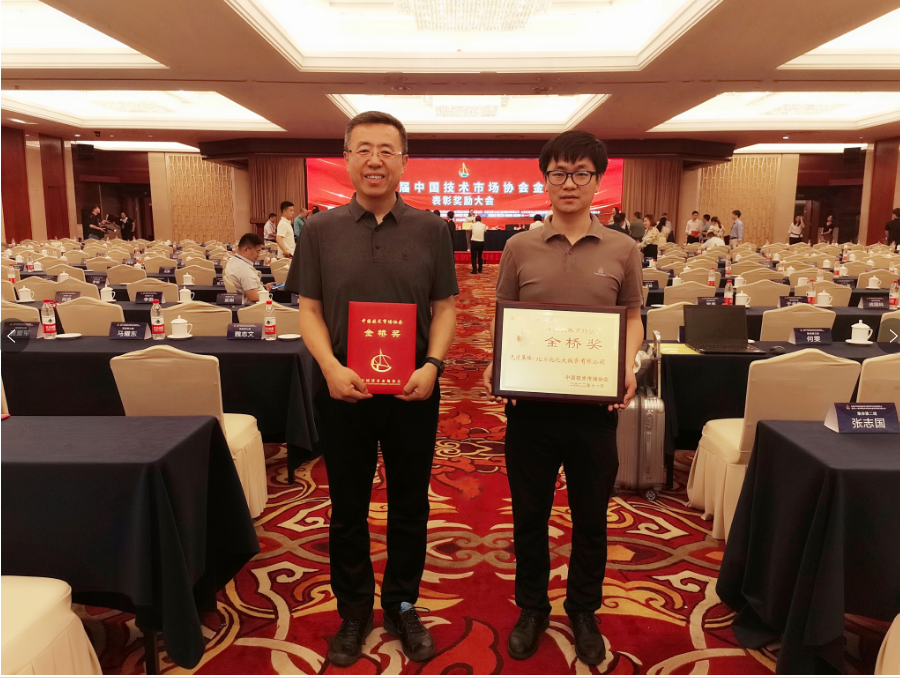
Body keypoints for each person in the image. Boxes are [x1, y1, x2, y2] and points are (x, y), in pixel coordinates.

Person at [287, 110, 458, 668]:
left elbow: (445, 308)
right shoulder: (320, 230)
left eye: (387, 150)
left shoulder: (431, 230)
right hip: (343, 392)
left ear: (404, 161)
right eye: (363, 149)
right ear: (346, 159)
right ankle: (354, 609)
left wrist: (433, 365)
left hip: (413, 391)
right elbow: (308, 310)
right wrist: (329, 367)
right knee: (347, 507)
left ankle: (402, 603)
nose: (375, 160)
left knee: (410, 504)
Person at [483, 130, 643, 667]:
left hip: (594, 410)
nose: (569, 183)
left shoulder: (622, 248)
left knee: (590, 517)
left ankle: (583, 610)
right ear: (545, 180)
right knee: (529, 514)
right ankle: (532, 607)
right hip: (530, 409)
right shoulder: (519, 246)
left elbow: (633, 317)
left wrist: (626, 365)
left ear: (597, 181)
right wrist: (498, 360)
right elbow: (504, 314)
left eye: (581, 174)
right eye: (558, 173)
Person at [224, 232, 275, 302]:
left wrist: (265, 288)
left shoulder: (232, 261)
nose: (259, 255)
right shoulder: (245, 270)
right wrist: (268, 294)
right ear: (246, 250)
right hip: (258, 306)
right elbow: (253, 297)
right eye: (257, 251)